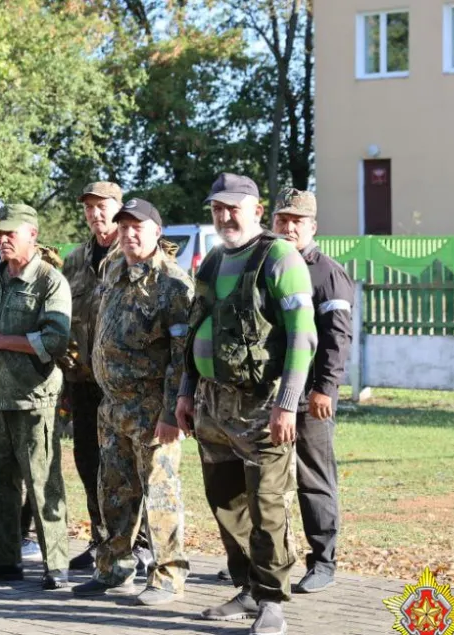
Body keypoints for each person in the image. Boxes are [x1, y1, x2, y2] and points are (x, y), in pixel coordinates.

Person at [176, 173, 317, 635]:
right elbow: (196, 330)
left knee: (267, 505)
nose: (224, 215)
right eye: (217, 207)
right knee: (226, 504)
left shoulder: (279, 257)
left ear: (257, 209)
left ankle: (273, 600)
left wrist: (287, 404)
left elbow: (303, 335)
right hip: (212, 406)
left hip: (263, 407)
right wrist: (184, 393)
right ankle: (248, 587)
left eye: (233, 207)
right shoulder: (214, 260)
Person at [69, 199, 191, 606]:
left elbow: (181, 355)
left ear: (158, 231)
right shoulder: (112, 268)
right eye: (123, 228)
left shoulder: (173, 284)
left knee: (160, 495)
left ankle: (168, 576)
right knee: (114, 492)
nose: (129, 234)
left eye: (138, 227)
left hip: (152, 409)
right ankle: (114, 568)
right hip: (113, 406)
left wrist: (173, 411)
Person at [0, 203, 73, 591]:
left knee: (43, 486)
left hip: (33, 400)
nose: (3, 238)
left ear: (33, 235)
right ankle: (3, 559)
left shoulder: (49, 280)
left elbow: (57, 339)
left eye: (11, 232)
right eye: (0, 232)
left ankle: (55, 563)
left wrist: (1, 341)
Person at [60, 181, 151, 574]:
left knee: (132, 465)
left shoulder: (135, 252)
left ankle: (143, 542)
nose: (96, 215)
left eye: (103, 207)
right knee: (89, 461)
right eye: (90, 209)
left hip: (125, 385)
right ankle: (103, 539)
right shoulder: (76, 259)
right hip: (83, 380)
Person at [271, 187, 354, 595]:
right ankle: (270, 559)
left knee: (313, 478)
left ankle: (323, 561)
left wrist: (325, 388)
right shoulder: (269, 264)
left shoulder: (326, 272)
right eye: (282, 219)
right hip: (270, 397)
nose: (288, 227)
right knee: (267, 480)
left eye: (296, 221)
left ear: (312, 227)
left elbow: (338, 337)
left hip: (310, 398)